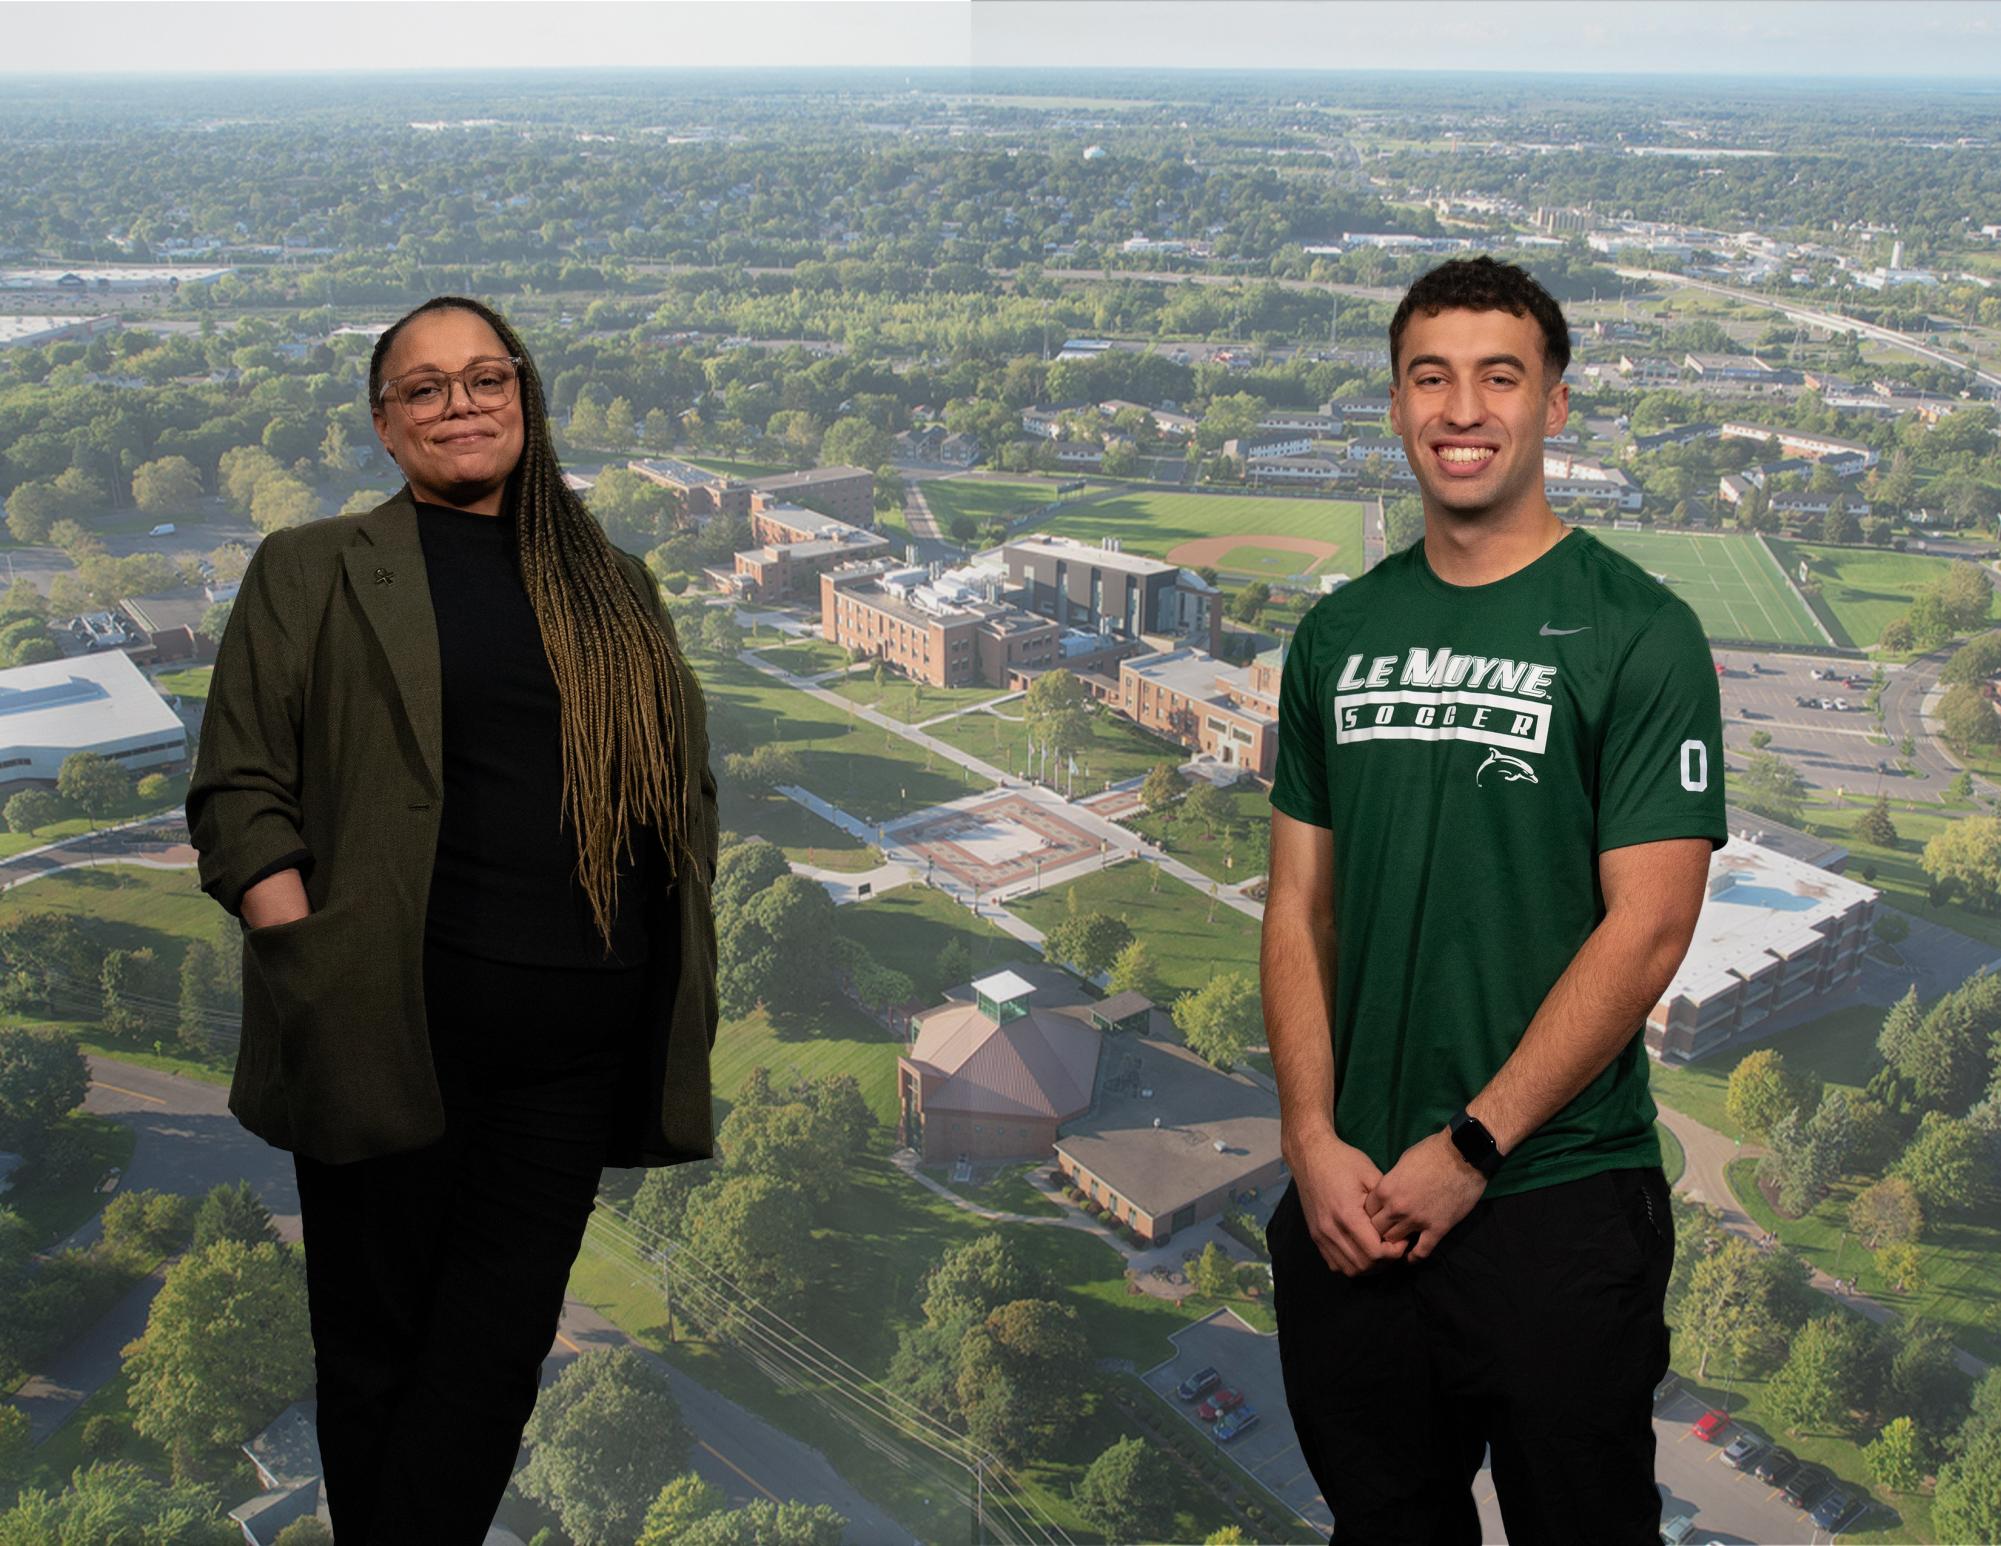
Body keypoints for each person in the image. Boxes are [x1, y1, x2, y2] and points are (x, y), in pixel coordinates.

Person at [187, 295, 720, 1545]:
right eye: (424, 388)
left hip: (573, 1054)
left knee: (485, 1364)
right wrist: (305, 951)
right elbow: (237, 786)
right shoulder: (312, 568)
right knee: (374, 1360)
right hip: (385, 1031)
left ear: (525, 403)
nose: (459, 403)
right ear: (384, 426)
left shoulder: (613, 585)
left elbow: (673, 792)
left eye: (486, 379)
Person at [1259, 257, 1723, 1545]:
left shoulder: (1640, 631)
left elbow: (1653, 928)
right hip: (1352, 1209)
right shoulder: (1337, 636)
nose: (1462, 407)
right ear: (1399, 406)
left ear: (1554, 407)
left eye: (1498, 376)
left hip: (1552, 1203)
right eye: (1431, 376)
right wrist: (1308, 1138)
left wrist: (1472, 1147)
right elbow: (1299, 905)